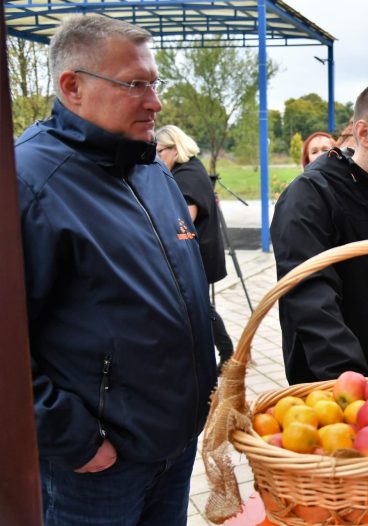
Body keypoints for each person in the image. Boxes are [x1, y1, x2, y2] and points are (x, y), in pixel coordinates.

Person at [15, 15, 215, 525]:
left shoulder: (150, 170)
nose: (156, 101)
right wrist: (71, 438)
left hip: (171, 444)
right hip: (95, 467)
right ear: (72, 86)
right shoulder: (27, 182)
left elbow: (180, 289)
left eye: (155, 83)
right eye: (136, 85)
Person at [270, 78, 368, 384]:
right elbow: (312, 306)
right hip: (337, 397)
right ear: (364, 133)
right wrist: (359, 391)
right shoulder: (312, 196)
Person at [155, 124, 234, 374]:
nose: (156, 158)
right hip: (203, 252)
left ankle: (226, 352)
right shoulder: (194, 167)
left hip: (195, 255)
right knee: (200, 306)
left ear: (174, 148)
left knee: (199, 307)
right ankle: (226, 352)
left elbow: (182, 222)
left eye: (159, 152)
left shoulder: (185, 176)